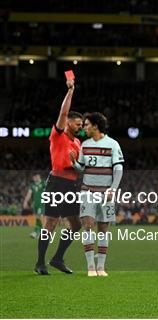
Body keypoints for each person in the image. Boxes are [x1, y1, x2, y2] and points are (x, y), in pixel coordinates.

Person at [35, 78, 83, 275]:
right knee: (51, 223)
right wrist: (70, 90)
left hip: (72, 185)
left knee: (76, 224)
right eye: (78, 123)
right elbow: (63, 112)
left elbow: (80, 167)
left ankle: (57, 258)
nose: (80, 126)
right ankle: (40, 263)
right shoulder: (58, 135)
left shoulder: (78, 142)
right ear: (68, 122)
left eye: (82, 124)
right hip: (56, 183)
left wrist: (78, 166)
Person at [70, 112, 124, 276]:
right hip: (88, 191)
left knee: (103, 228)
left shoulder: (113, 144)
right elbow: (81, 168)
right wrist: (74, 163)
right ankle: (91, 267)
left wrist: (113, 189)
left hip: (105, 192)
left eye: (86, 125)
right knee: (87, 225)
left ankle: (101, 267)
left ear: (95, 126)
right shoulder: (85, 145)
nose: (84, 128)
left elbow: (118, 168)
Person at [23, 173, 46, 239]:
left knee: (39, 217)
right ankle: (37, 232)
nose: (34, 178)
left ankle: (41, 233)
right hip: (35, 204)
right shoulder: (32, 185)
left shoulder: (43, 183)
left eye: (35, 176)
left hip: (42, 204)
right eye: (33, 177)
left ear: (38, 176)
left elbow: (48, 192)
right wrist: (25, 201)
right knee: (37, 218)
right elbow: (29, 194)